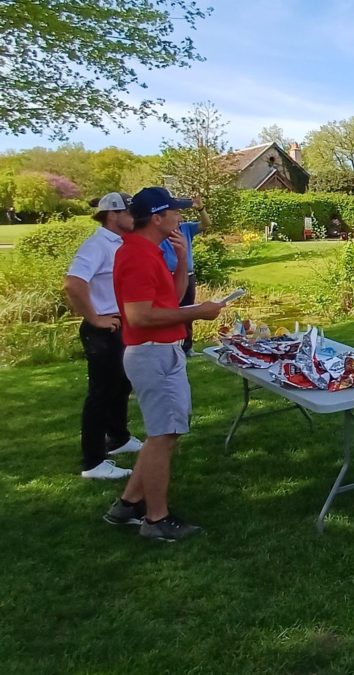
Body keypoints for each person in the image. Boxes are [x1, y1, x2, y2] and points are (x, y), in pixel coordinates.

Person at [105, 186, 224, 541]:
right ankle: (156, 520)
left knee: (164, 433)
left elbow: (168, 299)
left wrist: (182, 262)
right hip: (152, 352)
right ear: (157, 217)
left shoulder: (151, 250)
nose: (180, 216)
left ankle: (128, 504)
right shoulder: (137, 256)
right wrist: (198, 312)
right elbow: (140, 316)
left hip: (161, 350)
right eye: (175, 211)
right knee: (162, 437)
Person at [64, 193, 143, 480]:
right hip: (102, 328)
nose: (134, 217)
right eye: (130, 212)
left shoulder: (121, 242)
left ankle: (119, 438)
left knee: (120, 386)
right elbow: (73, 283)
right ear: (113, 214)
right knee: (100, 393)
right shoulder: (97, 245)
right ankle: (93, 462)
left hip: (118, 324)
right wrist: (94, 318)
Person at [159, 195, 211, 356]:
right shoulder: (161, 233)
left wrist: (201, 208)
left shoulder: (186, 229)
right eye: (175, 213)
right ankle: (172, 345)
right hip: (170, 276)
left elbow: (206, 224)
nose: (179, 217)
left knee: (189, 311)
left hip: (188, 276)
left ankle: (187, 347)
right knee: (172, 311)